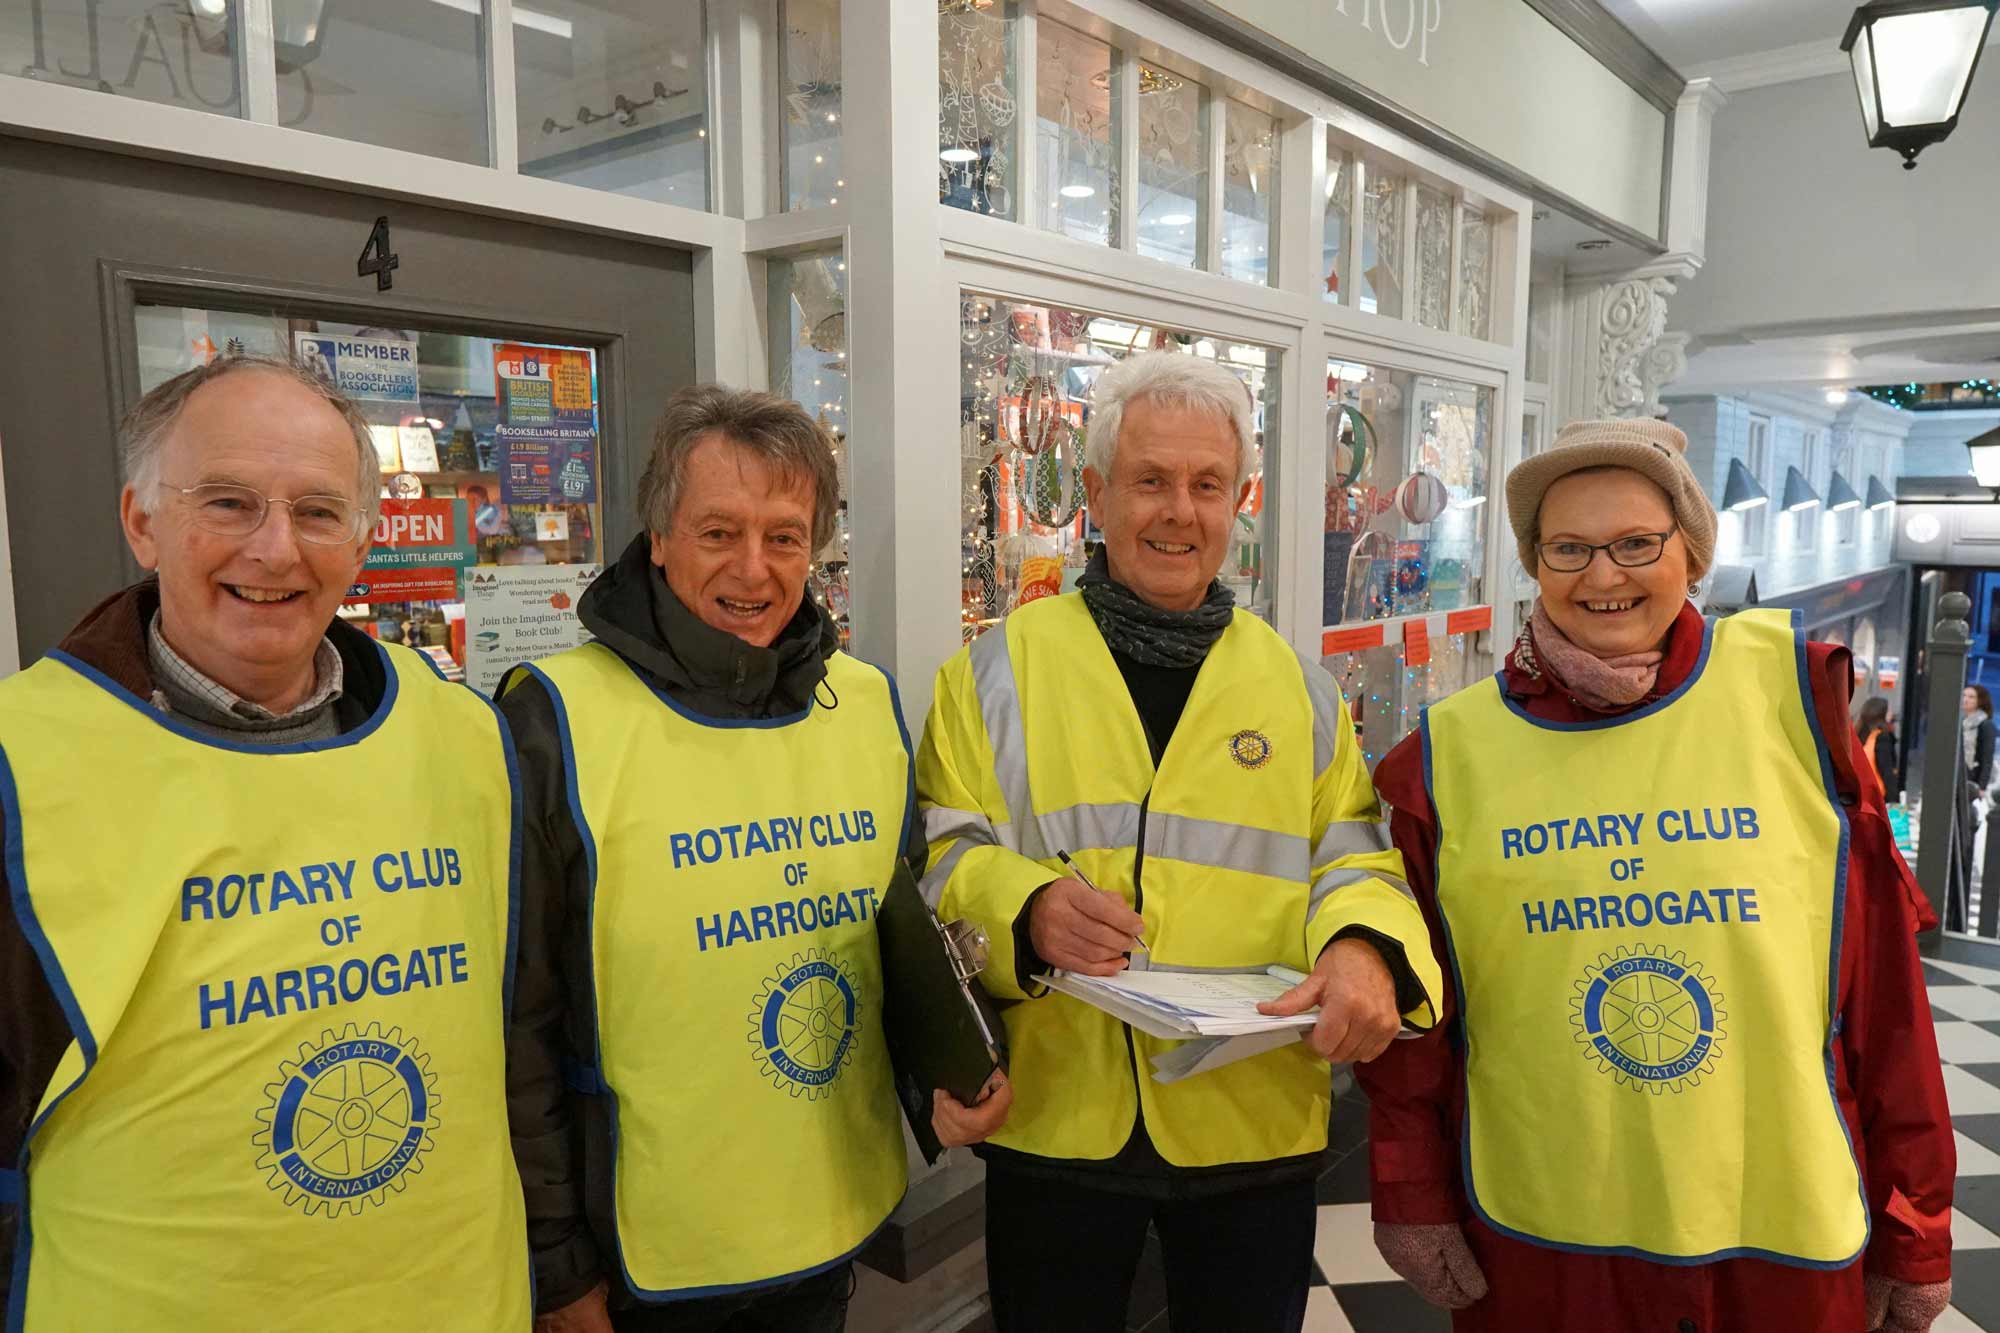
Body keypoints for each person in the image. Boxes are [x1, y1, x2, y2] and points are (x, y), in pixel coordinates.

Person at [1363, 418, 1955, 1333]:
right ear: (1533, 561)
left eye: (1637, 543)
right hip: (1546, 1239)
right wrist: (1412, 1191)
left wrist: (1914, 1220)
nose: (1602, 576)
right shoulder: (1446, 755)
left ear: (1692, 552)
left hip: (1778, 1234)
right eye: (1568, 548)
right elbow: (1419, 1016)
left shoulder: (1800, 704)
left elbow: (1883, 997)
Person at [0, 354, 531, 1328]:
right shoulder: (20, 761)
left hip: (457, 1297)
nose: (277, 549)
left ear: (364, 538)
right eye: (230, 502)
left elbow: (519, 1038)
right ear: (141, 521)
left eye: (319, 512)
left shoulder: (465, 738)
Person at [916, 351, 1441, 1333]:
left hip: (1251, 1122)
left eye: (1206, 485)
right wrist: (1022, 910)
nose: (1178, 511)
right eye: (1150, 480)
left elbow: (1355, 859)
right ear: (1094, 494)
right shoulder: (994, 674)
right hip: (1055, 1119)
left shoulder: (1298, 690)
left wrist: (1364, 947)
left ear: (1237, 499)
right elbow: (942, 857)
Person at [504, 386, 1011, 1333]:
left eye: (785, 537)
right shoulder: (552, 717)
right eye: (717, 532)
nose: (754, 568)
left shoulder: (864, 704)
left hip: (825, 1221)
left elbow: (894, 940)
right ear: (658, 537)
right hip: (639, 1256)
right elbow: (519, 1022)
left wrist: (941, 1071)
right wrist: (556, 1271)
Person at [1857, 696, 1901, 803]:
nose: (1892, 713)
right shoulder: (1882, 738)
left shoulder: (1860, 734)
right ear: (1882, 715)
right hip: (1877, 798)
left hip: (1861, 794)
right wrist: (1894, 801)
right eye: (1889, 710)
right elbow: (1886, 771)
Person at [1961, 684, 1993, 793]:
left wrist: (1982, 786)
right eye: (1964, 695)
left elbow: (1987, 758)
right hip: (1958, 773)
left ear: (1980, 701)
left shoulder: (1985, 725)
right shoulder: (1960, 721)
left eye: (1971, 697)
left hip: (1972, 776)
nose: (1965, 699)